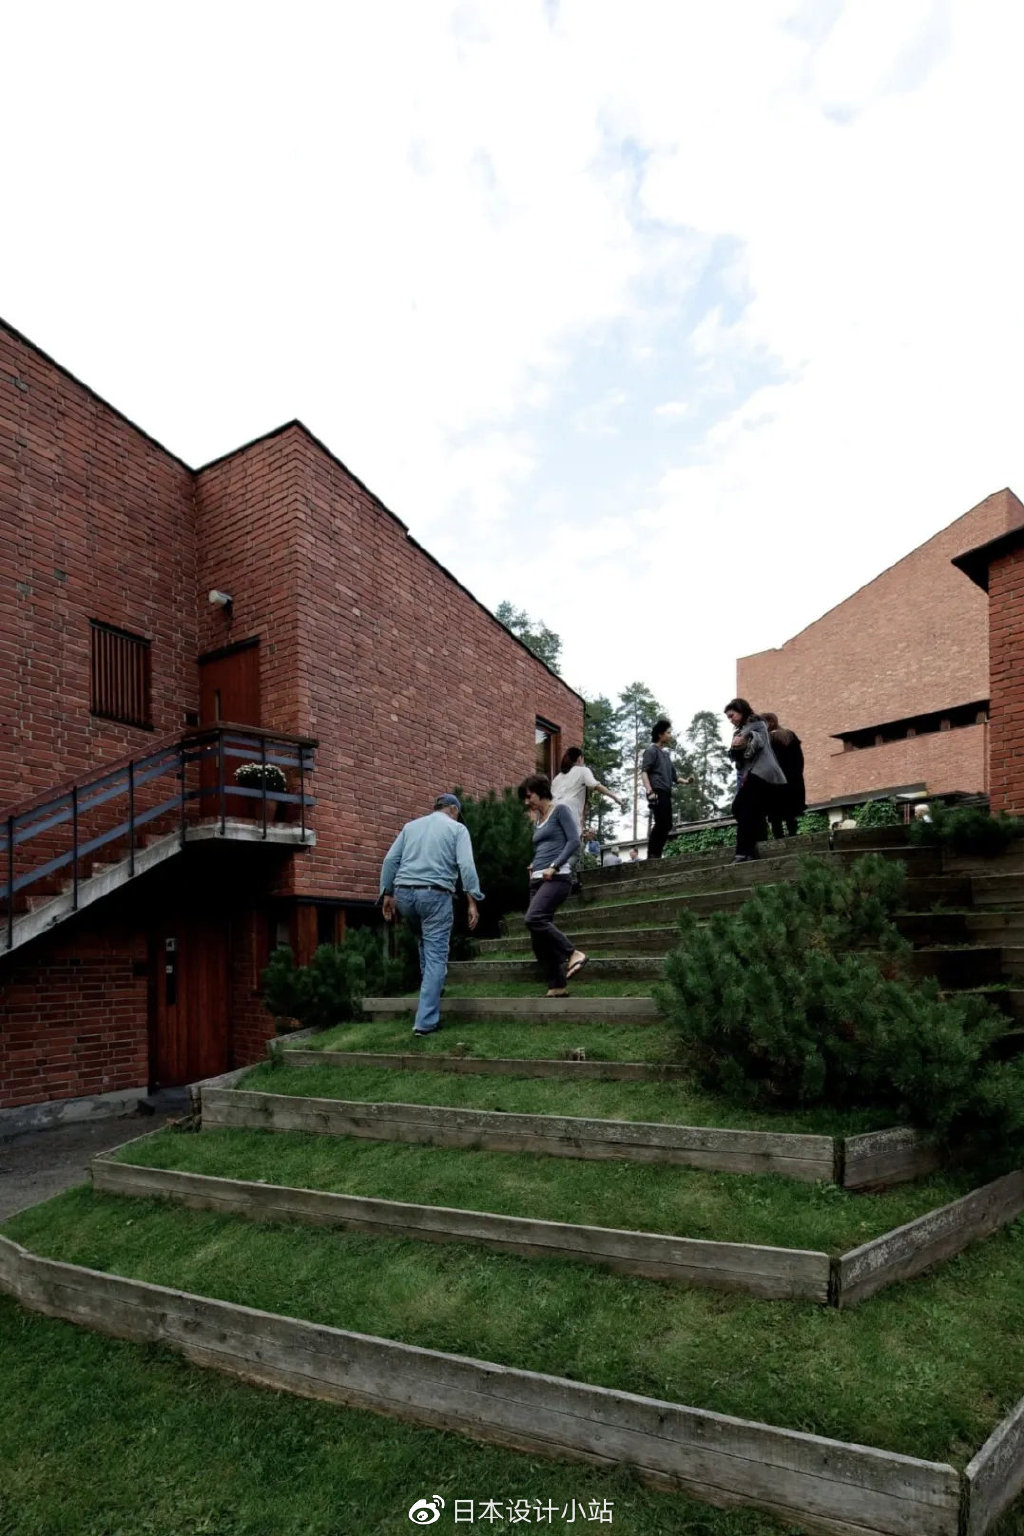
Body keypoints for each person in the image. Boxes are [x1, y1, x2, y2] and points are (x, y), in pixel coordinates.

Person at [379, 793, 483, 1036]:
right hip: (434, 895)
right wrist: (472, 901)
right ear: (454, 809)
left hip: (404, 896)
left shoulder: (410, 826)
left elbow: (390, 860)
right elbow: (466, 865)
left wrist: (387, 893)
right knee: (436, 956)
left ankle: (433, 989)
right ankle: (425, 1023)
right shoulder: (457, 829)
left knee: (424, 942)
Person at [518, 774, 586, 997]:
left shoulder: (560, 810)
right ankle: (557, 985)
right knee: (538, 939)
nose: (527, 802)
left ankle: (573, 953)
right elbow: (543, 847)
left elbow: (574, 841)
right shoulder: (539, 820)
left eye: (529, 796)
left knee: (533, 918)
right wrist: (534, 864)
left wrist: (554, 866)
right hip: (537, 879)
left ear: (541, 792)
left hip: (557, 878)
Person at [724, 698, 787, 863]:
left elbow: (757, 740)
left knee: (740, 806)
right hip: (752, 773)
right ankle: (754, 849)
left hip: (763, 772)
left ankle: (743, 852)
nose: (730, 720)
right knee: (753, 811)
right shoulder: (739, 731)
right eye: (728, 717)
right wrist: (735, 748)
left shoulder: (757, 724)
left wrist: (744, 740)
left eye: (732, 715)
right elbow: (738, 759)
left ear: (741, 711)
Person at [551, 747, 625, 829]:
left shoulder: (557, 778)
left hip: (552, 815)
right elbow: (596, 786)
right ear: (579, 759)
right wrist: (615, 797)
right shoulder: (583, 770)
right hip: (569, 812)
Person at [762, 712, 806, 839]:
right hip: (791, 780)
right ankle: (793, 835)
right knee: (790, 813)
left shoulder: (765, 740)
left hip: (772, 782)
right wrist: (797, 776)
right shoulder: (789, 735)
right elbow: (799, 759)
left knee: (774, 814)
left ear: (770, 722)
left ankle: (779, 839)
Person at [640, 718, 678, 859]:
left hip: (666, 792)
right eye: (668, 732)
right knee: (661, 822)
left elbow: (675, 777)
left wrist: (687, 781)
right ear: (660, 734)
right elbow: (644, 772)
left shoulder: (666, 755)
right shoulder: (651, 751)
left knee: (667, 824)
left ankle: (657, 854)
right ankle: (652, 855)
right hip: (656, 791)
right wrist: (649, 791)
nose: (670, 735)